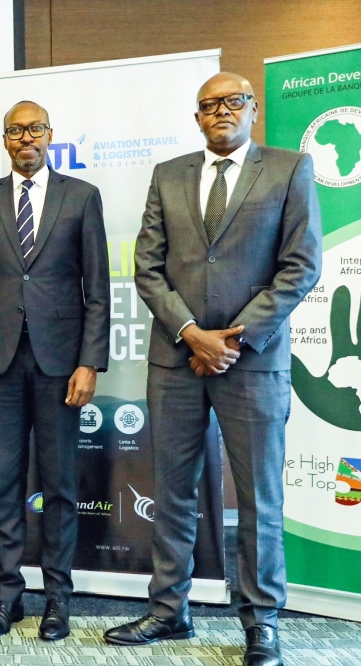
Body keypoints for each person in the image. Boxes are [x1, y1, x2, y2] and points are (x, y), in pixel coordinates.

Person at [104, 72, 322, 666]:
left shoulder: (288, 168)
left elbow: (301, 266)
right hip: (176, 358)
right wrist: (192, 334)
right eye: (208, 105)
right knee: (173, 493)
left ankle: (261, 620)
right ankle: (169, 610)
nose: (220, 111)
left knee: (258, 497)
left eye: (232, 102)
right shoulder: (168, 175)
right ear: (196, 116)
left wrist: (234, 339)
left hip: (252, 362)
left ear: (252, 109)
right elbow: (146, 267)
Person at [0, 101, 111, 639]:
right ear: (5, 140)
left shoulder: (81, 197)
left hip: (60, 363)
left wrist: (90, 361)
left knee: (60, 484)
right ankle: (6, 596)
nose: (27, 138)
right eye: (17, 131)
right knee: (5, 484)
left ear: (51, 135)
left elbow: (98, 290)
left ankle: (57, 599)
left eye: (36, 129)